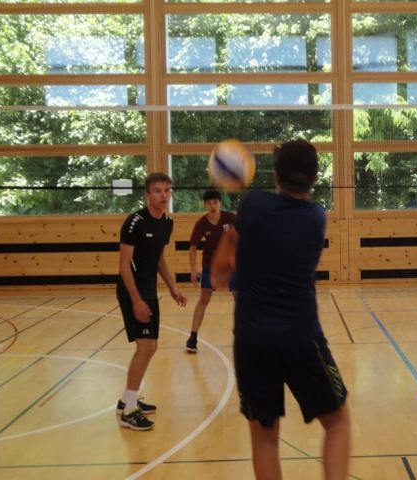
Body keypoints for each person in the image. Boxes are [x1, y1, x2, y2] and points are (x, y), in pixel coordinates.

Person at [212, 140, 351, 480]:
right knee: (337, 422)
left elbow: (218, 275)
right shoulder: (316, 218)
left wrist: (230, 243)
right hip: (300, 338)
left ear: (274, 175)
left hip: (252, 340)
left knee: (264, 437)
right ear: (315, 178)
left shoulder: (253, 206)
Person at [115, 173, 187, 431]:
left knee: (150, 346)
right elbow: (124, 267)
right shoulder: (134, 222)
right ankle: (129, 412)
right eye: (157, 191)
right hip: (131, 290)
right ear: (147, 195)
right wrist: (135, 300)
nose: (164, 195)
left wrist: (173, 287)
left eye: (167, 190)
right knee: (145, 347)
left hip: (149, 290)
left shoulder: (166, 223)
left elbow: (159, 258)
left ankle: (127, 400)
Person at [185, 190, 236, 353]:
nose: (212, 205)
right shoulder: (201, 223)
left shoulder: (231, 218)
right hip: (210, 266)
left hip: (231, 266)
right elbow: (192, 248)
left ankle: (242, 332)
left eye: (215, 202)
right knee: (204, 299)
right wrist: (193, 270)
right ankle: (193, 336)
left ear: (220, 203)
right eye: (209, 202)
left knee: (240, 298)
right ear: (205, 204)